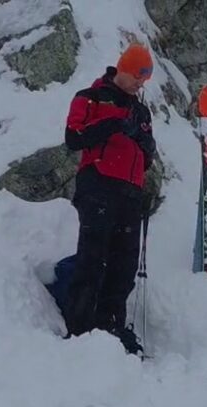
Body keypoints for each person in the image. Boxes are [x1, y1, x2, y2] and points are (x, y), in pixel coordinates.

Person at [62, 43, 156, 354]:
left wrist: (143, 141)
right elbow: (74, 138)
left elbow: (148, 158)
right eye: (137, 78)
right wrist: (113, 124)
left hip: (130, 193)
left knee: (123, 265)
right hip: (99, 184)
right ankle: (79, 328)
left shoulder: (141, 111)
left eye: (143, 81)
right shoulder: (90, 97)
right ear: (124, 70)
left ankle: (111, 328)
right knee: (94, 256)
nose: (139, 85)